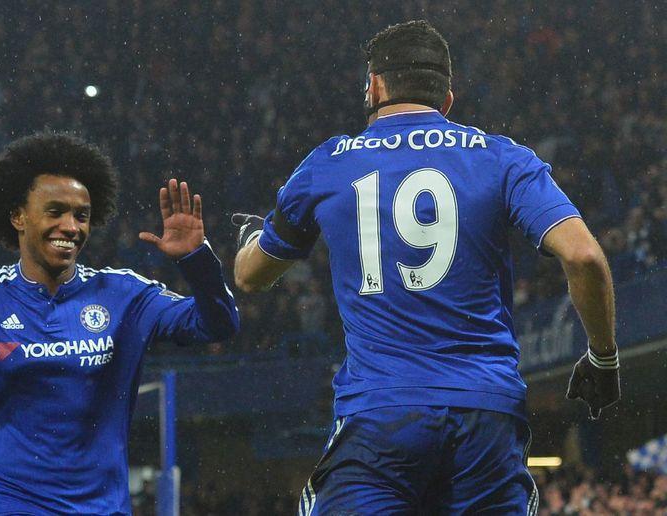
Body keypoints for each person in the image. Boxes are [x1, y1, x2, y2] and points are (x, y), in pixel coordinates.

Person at [232, 20, 619, 515]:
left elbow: (251, 276)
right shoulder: (503, 158)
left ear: (373, 86)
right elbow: (584, 256)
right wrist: (603, 358)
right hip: (485, 414)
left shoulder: (329, 163)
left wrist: (248, 237)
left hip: (381, 415)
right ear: (448, 98)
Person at [0, 131, 239, 514]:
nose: (71, 227)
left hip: (103, 509)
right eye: (55, 211)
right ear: (18, 217)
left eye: (81, 215)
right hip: (14, 505)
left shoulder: (124, 295)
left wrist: (197, 261)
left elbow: (218, 325)